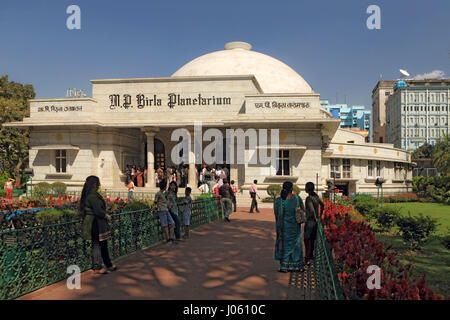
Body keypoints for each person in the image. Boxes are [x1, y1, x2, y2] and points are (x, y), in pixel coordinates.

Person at [80, 176, 117, 274]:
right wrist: (106, 215)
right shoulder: (92, 196)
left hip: (97, 222)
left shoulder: (93, 195)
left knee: (103, 244)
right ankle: (97, 266)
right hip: (94, 223)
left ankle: (108, 264)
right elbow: (98, 210)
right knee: (97, 245)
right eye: (98, 183)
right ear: (94, 185)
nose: (99, 185)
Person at [274, 181, 306, 273]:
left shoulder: (279, 200)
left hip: (284, 226)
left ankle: (284, 266)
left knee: (286, 245)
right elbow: (303, 209)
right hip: (295, 225)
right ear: (292, 188)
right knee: (296, 245)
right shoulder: (297, 197)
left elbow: (277, 214)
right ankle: (297, 266)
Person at [304, 182, 324, 264]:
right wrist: (320, 216)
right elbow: (323, 205)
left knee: (307, 239)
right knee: (312, 240)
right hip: (315, 222)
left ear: (307, 189)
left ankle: (307, 258)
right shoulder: (316, 197)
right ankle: (311, 255)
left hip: (310, 221)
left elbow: (312, 210)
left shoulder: (309, 198)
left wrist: (315, 218)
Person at [152, 180, 176, 244]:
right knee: (165, 225)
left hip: (166, 210)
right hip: (161, 210)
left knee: (172, 223)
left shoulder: (163, 193)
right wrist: (152, 210)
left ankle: (171, 238)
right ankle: (168, 239)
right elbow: (155, 202)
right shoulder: (158, 194)